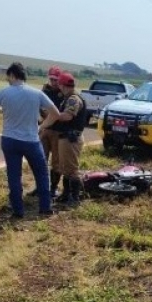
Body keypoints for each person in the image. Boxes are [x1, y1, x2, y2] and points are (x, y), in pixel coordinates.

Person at [0, 62, 60, 218]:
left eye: (8, 77)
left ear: (12, 75)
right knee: (41, 173)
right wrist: (42, 127)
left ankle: (18, 211)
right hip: (31, 139)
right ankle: (45, 208)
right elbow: (55, 113)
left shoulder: (3, 92)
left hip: (9, 139)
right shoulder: (36, 93)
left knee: (14, 176)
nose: (7, 80)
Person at [40, 71, 87, 206]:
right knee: (65, 167)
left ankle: (74, 198)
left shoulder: (73, 99)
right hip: (66, 137)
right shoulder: (69, 97)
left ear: (62, 85)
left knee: (71, 169)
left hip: (70, 138)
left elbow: (67, 116)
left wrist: (54, 115)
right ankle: (66, 194)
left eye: (59, 84)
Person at [27, 65, 64, 197]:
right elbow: (38, 106)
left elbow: (61, 113)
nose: (53, 82)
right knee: (40, 159)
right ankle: (40, 187)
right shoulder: (45, 90)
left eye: (56, 80)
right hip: (45, 128)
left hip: (58, 131)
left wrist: (49, 116)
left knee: (56, 162)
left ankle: (53, 188)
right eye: (51, 79)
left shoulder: (63, 92)